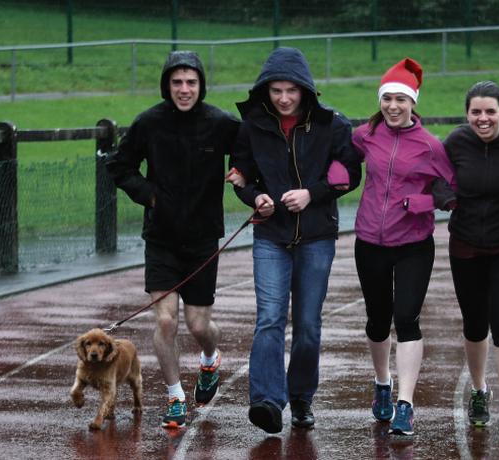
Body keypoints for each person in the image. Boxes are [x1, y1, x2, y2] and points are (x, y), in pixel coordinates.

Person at [228, 47, 361, 434]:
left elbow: (349, 173)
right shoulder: (251, 126)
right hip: (270, 236)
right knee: (269, 318)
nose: (284, 98)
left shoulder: (332, 124)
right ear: (264, 91)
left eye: (291, 90)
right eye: (276, 91)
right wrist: (257, 198)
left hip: (316, 236)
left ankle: (301, 397)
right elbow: (240, 174)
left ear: (305, 89)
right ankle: (267, 401)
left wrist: (311, 194)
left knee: (307, 325)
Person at [106, 50, 240, 428]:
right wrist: (148, 195)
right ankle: (175, 396)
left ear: (201, 85)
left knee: (198, 326)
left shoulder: (220, 123)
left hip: (201, 239)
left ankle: (210, 358)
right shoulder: (149, 123)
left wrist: (242, 170)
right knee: (165, 321)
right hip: (161, 239)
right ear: (167, 85)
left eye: (191, 82)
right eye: (177, 82)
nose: (184, 89)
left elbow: (251, 149)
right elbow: (118, 164)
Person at [349, 58, 454, 436]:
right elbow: (343, 162)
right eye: (387, 98)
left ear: (414, 102)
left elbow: (452, 191)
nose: (393, 106)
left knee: (406, 317)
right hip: (369, 243)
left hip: (413, 244)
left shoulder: (430, 146)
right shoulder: (364, 136)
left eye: (401, 99)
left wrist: (421, 203)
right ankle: (382, 383)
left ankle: (406, 404)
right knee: (378, 320)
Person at [440, 81, 499, 434]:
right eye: (475, 112)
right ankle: (479, 391)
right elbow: (434, 175)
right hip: (466, 244)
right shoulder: (455, 143)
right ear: (467, 114)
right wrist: (443, 197)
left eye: (490, 111)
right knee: (474, 322)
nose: (483, 118)